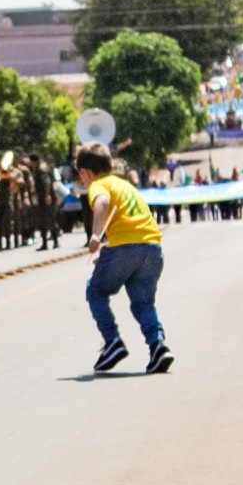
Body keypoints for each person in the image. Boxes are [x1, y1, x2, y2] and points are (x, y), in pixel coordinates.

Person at [76, 140, 173, 375]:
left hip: (124, 249)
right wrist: (108, 254)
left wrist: (96, 235)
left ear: (85, 172)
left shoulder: (98, 185)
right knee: (143, 302)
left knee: (95, 291)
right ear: (110, 165)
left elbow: (103, 202)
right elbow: (129, 223)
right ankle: (158, 346)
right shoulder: (125, 185)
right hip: (152, 248)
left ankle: (112, 342)